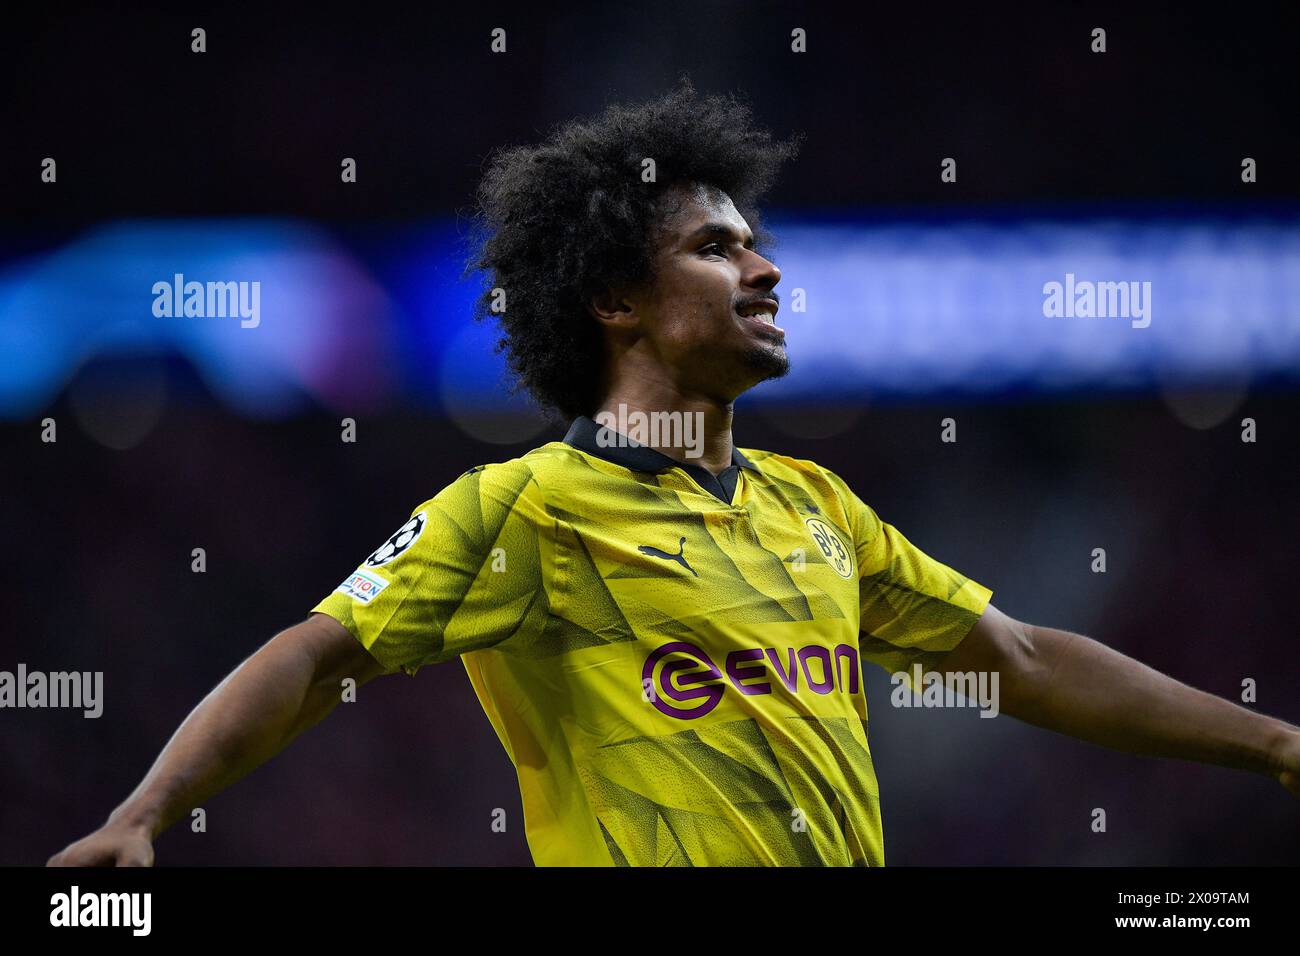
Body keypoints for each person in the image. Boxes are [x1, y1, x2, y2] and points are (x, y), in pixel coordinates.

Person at [48, 80, 1300, 868]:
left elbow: (1021, 660)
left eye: (757, 246)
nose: (764, 271)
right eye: (716, 248)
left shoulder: (816, 504)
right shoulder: (524, 508)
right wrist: (149, 810)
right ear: (614, 301)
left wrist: (1275, 743)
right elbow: (316, 653)